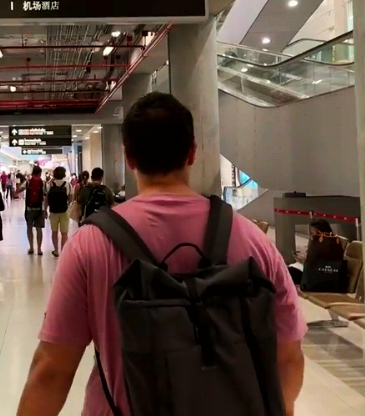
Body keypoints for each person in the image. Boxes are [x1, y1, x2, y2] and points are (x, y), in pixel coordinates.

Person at [17, 92, 306, 416]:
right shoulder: (254, 241)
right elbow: (289, 358)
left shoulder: (90, 245)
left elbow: (51, 371)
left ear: (129, 157)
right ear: (192, 152)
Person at [46, 166, 72, 257]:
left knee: (54, 232)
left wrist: (45, 209)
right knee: (64, 233)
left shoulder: (50, 184)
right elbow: (70, 198)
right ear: (64, 174)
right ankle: (63, 251)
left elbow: (47, 199)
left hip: (53, 211)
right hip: (64, 211)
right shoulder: (67, 184)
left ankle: (56, 250)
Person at [25, 165, 46, 255]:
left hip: (29, 209)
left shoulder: (28, 182)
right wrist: (45, 210)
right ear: (40, 173)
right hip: (39, 209)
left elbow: (20, 189)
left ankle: (31, 248)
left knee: (29, 228)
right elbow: (45, 195)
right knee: (39, 229)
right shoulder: (42, 183)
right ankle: (39, 249)